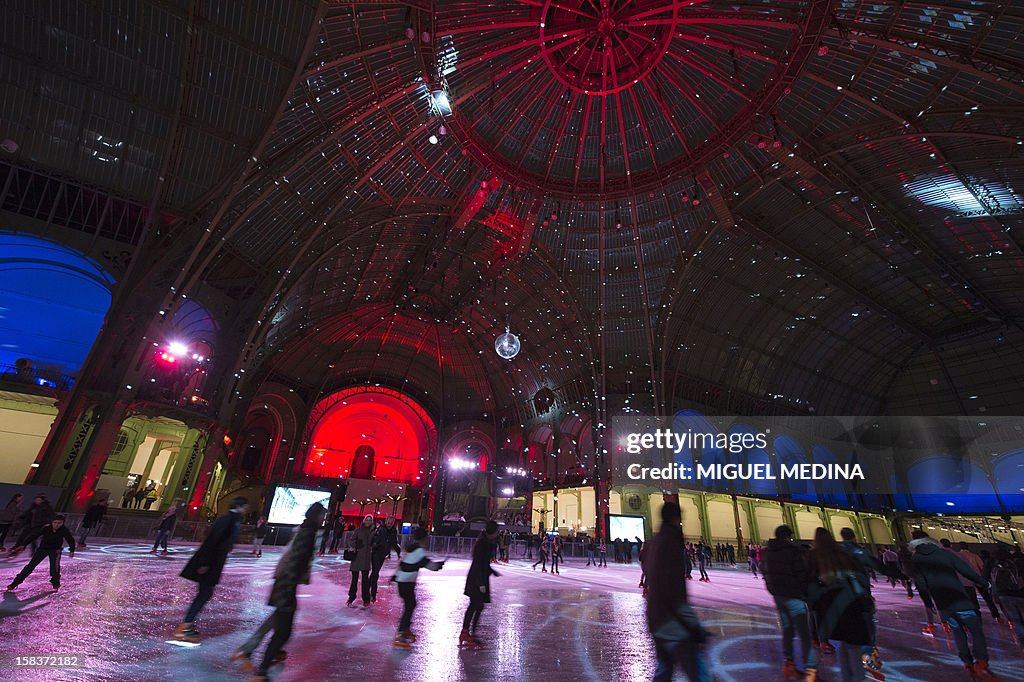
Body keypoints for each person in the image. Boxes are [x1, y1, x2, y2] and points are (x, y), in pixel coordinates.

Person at [232, 502, 325, 679]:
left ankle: (247, 649)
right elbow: (294, 562)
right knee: (284, 631)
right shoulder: (307, 534)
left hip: (286, 583)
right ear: (315, 516)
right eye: (322, 515)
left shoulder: (306, 531)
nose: (323, 519)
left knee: (276, 619)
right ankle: (262, 671)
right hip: (286, 585)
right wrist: (289, 590)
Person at [910, 530, 998, 681]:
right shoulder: (944, 553)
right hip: (959, 599)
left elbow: (921, 584)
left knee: (957, 631)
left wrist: (929, 603)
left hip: (943, 604)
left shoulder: (916, 558)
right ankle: (981, 662)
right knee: (976, 630)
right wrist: (984, 583)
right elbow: (966, 571)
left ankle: (967, 663)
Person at [645, 502, 710, 681]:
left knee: (664, 669)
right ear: (675, 519)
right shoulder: (671, 542)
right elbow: (672, 588)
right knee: (698, 671)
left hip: (656, 616)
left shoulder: (657, 541)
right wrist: (691, 624)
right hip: (670, 619)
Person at [174, 496, 248, 642]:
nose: (246, 510)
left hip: (213, 562)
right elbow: (212, 541)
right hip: (210, 563)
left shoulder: (231, 520)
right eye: (245, 507)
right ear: (239, 506)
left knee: (205, 593)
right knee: (204, 594)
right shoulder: (229, 520)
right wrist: (205, 563)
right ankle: (185, 627)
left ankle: (187, 624)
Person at [806, 527, 873, 682]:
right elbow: (859, 577)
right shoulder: (843, 554)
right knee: (852, 644)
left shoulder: (812, 556)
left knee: (844, 642)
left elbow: (808, 582)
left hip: (828, 605)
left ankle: (849, 677)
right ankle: (856, 677)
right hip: (850, 603)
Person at [762, 525, 815, 681]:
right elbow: (801, 574)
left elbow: (764, 571)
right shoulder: (792, 551)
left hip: (779, 596)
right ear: (787, 536)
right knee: (805, 634)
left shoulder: (767, 552)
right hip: (794, 596)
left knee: (787, 630)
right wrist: (805, 594)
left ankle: (789, 664)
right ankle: (811, 671)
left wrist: (773, 590)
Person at [392, 527, 444, 648]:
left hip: (403, 581)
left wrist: (395, 576)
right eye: (426, 539)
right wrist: (438, 565)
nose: (427, 541)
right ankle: (400, 634)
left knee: (411, 604)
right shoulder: (419, 551)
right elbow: (429, 565)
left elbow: (404, 563)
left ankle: (404, 629)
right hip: (406, 582)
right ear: (423, 539)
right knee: (410, 605)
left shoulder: (411, 549)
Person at [5, 514, 76, 591]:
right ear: (52, 522)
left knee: (54, 568)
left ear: (62, 523)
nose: (57, 525)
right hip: (42, 549)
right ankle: (14, 583)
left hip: (55, 551)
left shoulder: (64, 530)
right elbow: (34, 535)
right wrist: (24, 544)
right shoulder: (46, 528)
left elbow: (70, 540)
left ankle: (55, 584)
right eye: (55, 522)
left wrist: (72, 550)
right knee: (30, 566)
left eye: (59, 523)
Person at [461, 520, 500, 648]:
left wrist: (492, 571)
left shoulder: (485, 542)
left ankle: (469, 632)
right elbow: (479, 564)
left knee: (477, 606)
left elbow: (483, 563)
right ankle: (467, 632)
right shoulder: (483, 543)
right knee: (475, 605)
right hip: (477, 580)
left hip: (479, 578)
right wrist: (481, 584)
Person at [990, 546, 1024, 643]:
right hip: (1019, 593)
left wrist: (995, 598)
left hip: (1004, 595)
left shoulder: (994, 567)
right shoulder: (1016, 564)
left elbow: (993, 583)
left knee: (1016, 619)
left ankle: (1022, 642)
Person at [369, 516, 401, 603]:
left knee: (375, 572)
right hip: (376, 553)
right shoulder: (381, 529)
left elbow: (393, 542)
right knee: (375, 573)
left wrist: (398, 551)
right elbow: (375, 539)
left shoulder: (393, 531)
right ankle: (373, 594)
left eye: (392, 523)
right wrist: (374, 546)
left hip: (383, 554)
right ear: (386, 522)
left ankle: (367, 585)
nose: (390, 524)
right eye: (389, 522)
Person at [347, 514, 375, 608]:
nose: (368, 522)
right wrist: (356, 544)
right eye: (366, 520)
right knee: (354, 579)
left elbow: (376, 542)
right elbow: (351, 541)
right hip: (357, 557)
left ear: (371, 522)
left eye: (369, 520)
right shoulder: (358, 530)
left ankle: (366, 599)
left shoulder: (373, 531)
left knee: (365, 580)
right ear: (364, 521)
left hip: (366, 558)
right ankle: (351, 597)